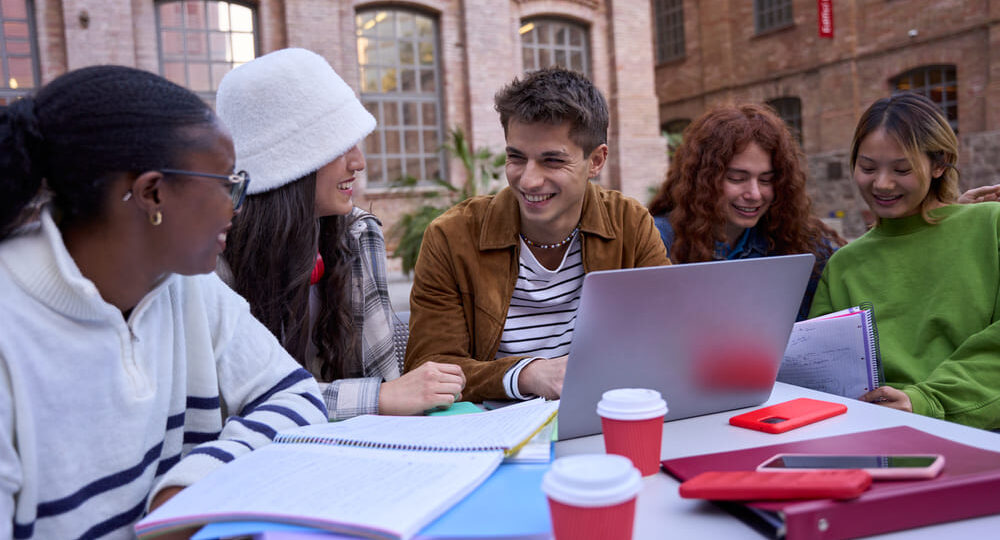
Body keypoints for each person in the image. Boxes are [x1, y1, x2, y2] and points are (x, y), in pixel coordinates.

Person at [0, 66, 328, 538]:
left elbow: (295, 396)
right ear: (151, 192)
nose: (236, 206)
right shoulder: (14, 330)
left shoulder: (187, 285)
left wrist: (192, 487)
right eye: (226, 184)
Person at [216, 48, 464, 420]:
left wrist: (387, 395)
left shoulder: (359, 234)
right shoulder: (212, 259)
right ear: (287, 161)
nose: (359, 163)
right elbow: (236, 402)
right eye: (338, 145)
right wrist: (375, 399)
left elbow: (385, 378)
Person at [404, 67, 670, 403]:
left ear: (596, 160)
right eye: (516, 157)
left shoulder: (629, 222)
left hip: (600, 415)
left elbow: (663, 339)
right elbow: (430, 368)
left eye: (552, 161)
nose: (529, 180)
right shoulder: (451, 236)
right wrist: (527, 375)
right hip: (491, 427)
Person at [810, 92, 1000, 430]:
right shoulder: (843, 265)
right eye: (867, 167)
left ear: (940, 164)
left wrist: (927, 400)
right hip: (874, 441)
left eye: (902, 169)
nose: (882, 183)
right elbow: (820, 376)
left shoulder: (991, 225)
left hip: (978, 440)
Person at [648, 104, 845, 321]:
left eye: (766, 180)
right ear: (702, 178)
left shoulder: (798, 242)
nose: (754, 194)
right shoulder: (656, 240)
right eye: (737, 178)